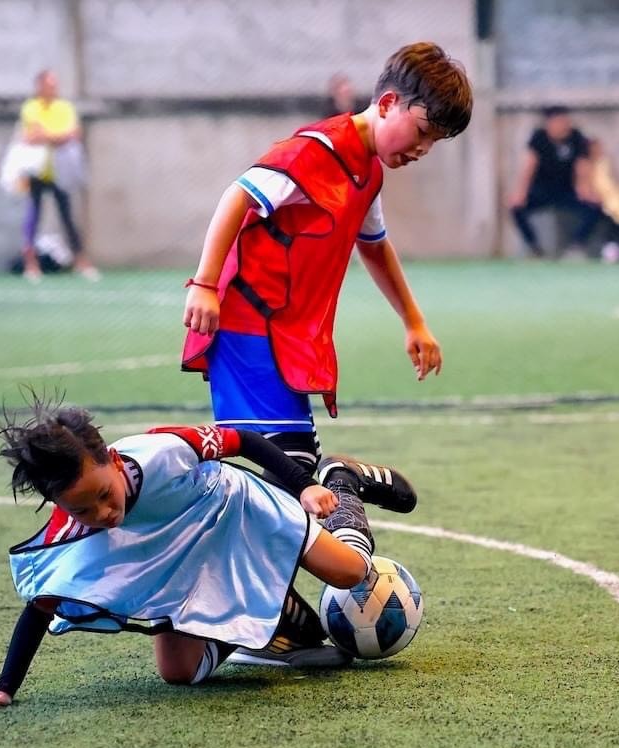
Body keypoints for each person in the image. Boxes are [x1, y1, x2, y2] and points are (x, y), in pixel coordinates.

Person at [0, 397, 414, 708]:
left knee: (353, 573)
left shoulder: (163, 451)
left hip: (235, 507)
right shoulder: (70, 528)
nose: (103, 513)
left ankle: (341, 478)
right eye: (83, 508)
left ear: (113, 461)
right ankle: (269, 622)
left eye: (103, 494)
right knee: (179, 673)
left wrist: (307, 485)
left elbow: (243, 441)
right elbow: (40, 605)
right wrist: (4, 688)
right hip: (180, 560)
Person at [180, 42, 472, 480]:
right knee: (284, 476)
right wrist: (204, 285)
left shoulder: (368, 170)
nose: (424, 148)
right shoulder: (315, 151)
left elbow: (374, 245)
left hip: (283, 335)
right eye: (423, 131)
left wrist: (414, 321)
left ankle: (331, 487)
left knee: (288, 472)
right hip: (248, 326)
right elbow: (237, 195)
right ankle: (341, 485)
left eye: (434, 142)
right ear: (389, 103)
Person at [19, 69, 98, 282]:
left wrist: (48, 136)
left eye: (55, 85)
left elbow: (73, 133)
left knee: (67, 217)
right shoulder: (31, 107)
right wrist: (57, 137)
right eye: (49, 84)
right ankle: (31, 265)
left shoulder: (64, 107)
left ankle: (81, 262)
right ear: (40, 86)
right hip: (37, 171)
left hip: (60, 171)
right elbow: (31, 136)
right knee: (32, 217)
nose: (53, 88)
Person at [507, 105, 602, 258]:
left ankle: (576, 247)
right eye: (558, 121)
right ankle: (534, 248)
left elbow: (582, 167)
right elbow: (529, 167)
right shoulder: (539, 137)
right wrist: (521, 193)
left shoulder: (576, 137)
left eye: (565, 121)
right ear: (549, 123)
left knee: (595, 207)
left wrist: (585, 190)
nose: (563, 125)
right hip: (542, 191)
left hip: (567, 191)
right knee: (516, 208)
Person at [588, 138, 619, 264]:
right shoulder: (586, 163)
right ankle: (611, 246)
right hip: (599, 197)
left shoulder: (606, 161)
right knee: (609, 215)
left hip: (613, 196)